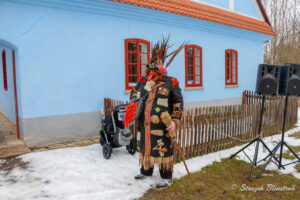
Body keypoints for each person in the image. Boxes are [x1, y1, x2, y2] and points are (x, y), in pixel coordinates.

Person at [129, 38, 184, 189]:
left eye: (155, 70)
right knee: (145, 147)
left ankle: (166, 177)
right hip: (144, 124)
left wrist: (174, 121)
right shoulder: (143, 81)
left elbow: (178, 102)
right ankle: (146, 171)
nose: (152, 73)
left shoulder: (170, 82)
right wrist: (134, 103)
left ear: (161, 69)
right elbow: (133, 94)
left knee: (163, 149)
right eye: (150, 70)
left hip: (162, 125)